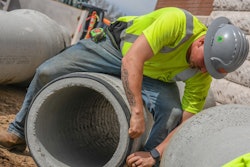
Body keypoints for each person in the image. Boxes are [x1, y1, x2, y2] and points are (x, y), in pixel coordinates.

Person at [0, 7, 248, 167]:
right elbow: (132, 60)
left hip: (154, 77)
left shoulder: (203, 73)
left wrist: (156, 155)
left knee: (171, 112)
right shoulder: (177, 22)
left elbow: (186, 122)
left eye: (212, 70)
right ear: (201, 41)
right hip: (114, 49)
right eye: (206, 64)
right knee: (47, 72)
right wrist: (137, 111)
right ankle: (18, 130)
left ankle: (142, 159)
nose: (204, 71)